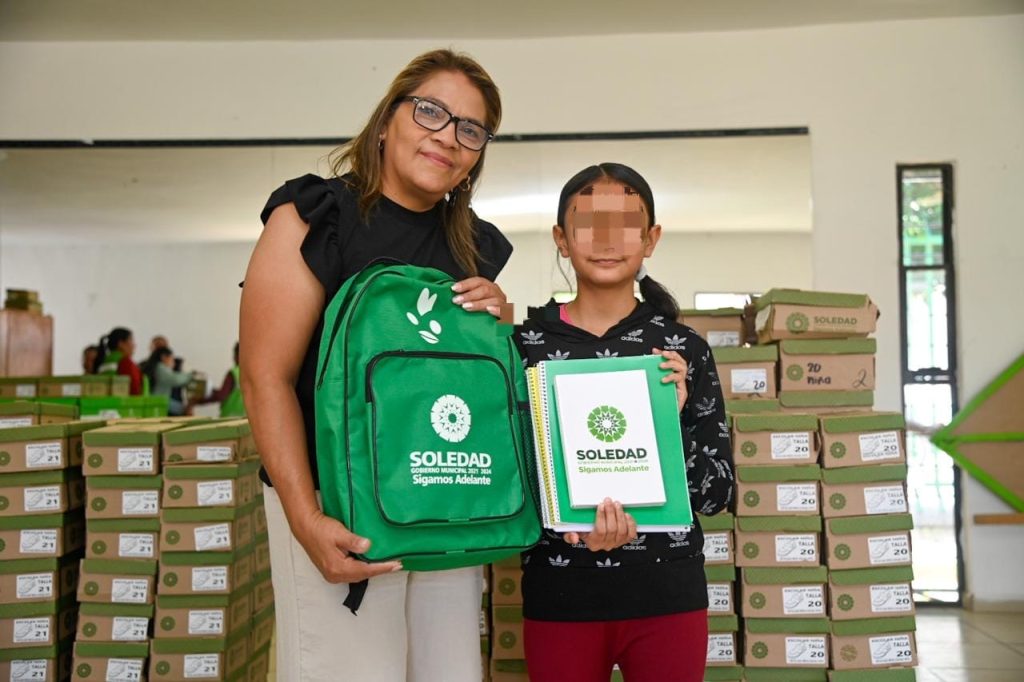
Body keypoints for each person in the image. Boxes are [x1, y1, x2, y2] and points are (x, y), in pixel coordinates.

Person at [239, 49, 511, 682]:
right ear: (387, 121)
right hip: (338, 504)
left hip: (442, 495)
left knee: (448, 673)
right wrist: (305, 519)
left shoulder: (472, 245)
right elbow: (265, 377)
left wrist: (497, 322)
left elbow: (471, 392)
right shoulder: (316, 217)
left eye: (470, 129)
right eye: (431, 112)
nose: (448, 136)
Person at [513, 163, 735, 682]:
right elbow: (509, 478)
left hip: (667, 595)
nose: (607, 240)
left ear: (650, 239)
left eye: (626, 224)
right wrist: (565, 525)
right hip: (560, 593)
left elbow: (716, 493)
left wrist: (671, 420)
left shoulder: (682, 349)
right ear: (561, 239)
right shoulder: (524, 348)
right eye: (589, 223)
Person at [194, 342, 246, 417]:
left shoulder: (234, 373)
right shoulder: (253, 374)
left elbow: (221, 395)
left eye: (234, 354)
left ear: (238, 355)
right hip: (245, 419)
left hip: (229, 418)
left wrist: (197, 401)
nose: (233, 358)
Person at [144, 346, 193, 415]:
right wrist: (191, 376)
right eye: (172, 359)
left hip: (157, 402)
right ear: (164, 357)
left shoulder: (154, 367)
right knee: (186, 410)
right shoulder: (160, 368)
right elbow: (175, 379)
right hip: (157, 403)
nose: (173, 363)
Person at [94, 327, 143, 395]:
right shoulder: (124, 361)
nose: (134, 345)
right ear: (121, 344)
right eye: (131, 340)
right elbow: (135, 390)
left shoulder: (104, 360)